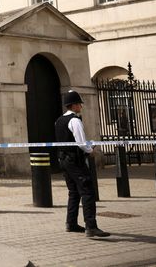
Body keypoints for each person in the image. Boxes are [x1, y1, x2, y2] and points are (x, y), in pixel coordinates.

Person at [55, 89, 110, 238]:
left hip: (63, 160)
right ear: (73, 105)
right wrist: (89, 149)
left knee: (73, 192)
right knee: (87, 191)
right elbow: (80, 142)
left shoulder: (59, 120)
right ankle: (91, 226)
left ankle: (71, 223)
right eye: (79, 103)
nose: (81, 106)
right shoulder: (75, 120)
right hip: (75, 160)